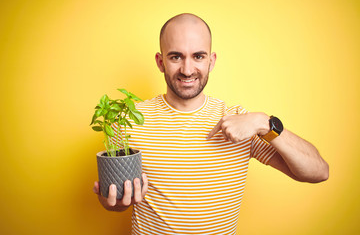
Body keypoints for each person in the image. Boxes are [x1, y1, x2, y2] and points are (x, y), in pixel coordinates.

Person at [93, 13, 329, 234]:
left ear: (211, 61)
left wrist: (264, 122)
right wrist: (112, 201)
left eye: (198, 56)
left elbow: (318, 172)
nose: (187, 70)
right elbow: (113, 202)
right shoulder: (127, 120)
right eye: (176, 56)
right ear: (160, 61)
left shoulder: (242, 122)